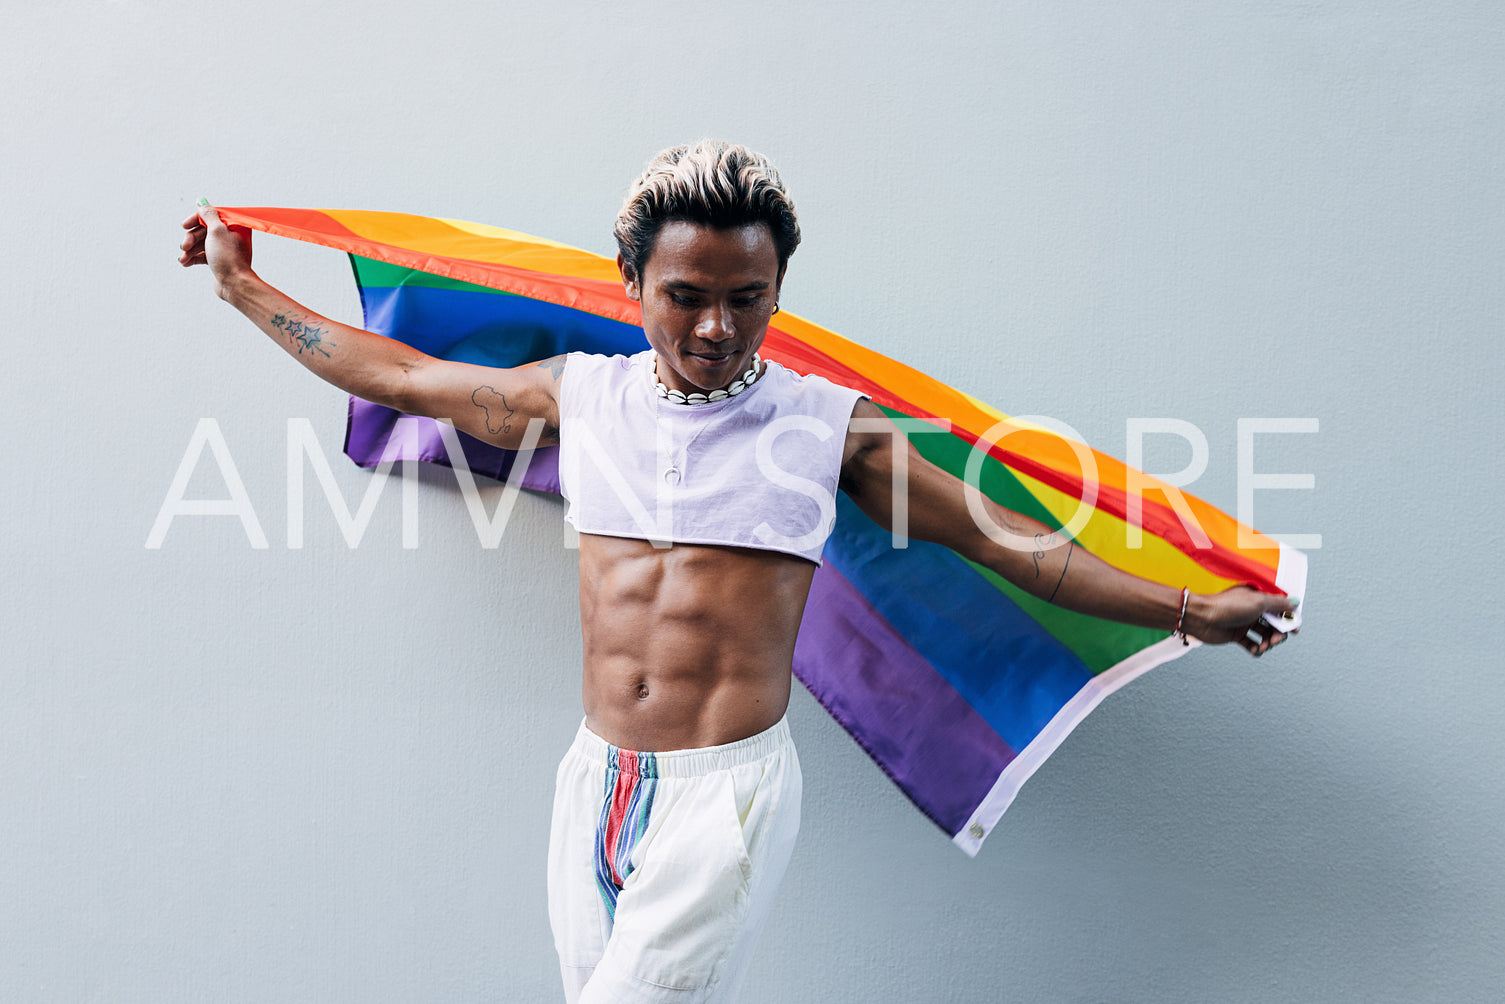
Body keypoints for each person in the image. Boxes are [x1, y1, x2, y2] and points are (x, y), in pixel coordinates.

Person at [179, 140, 1297, 1002]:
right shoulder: (579, 395)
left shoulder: (830, 431)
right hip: (593, 780)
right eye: (685, 295)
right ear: (632, 281)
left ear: (775, 288)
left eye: (746, 297)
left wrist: (1191, 608)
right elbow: (401, 377)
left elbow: (1019, 545)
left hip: (725, 799)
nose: (717, 324)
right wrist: (242, 291)